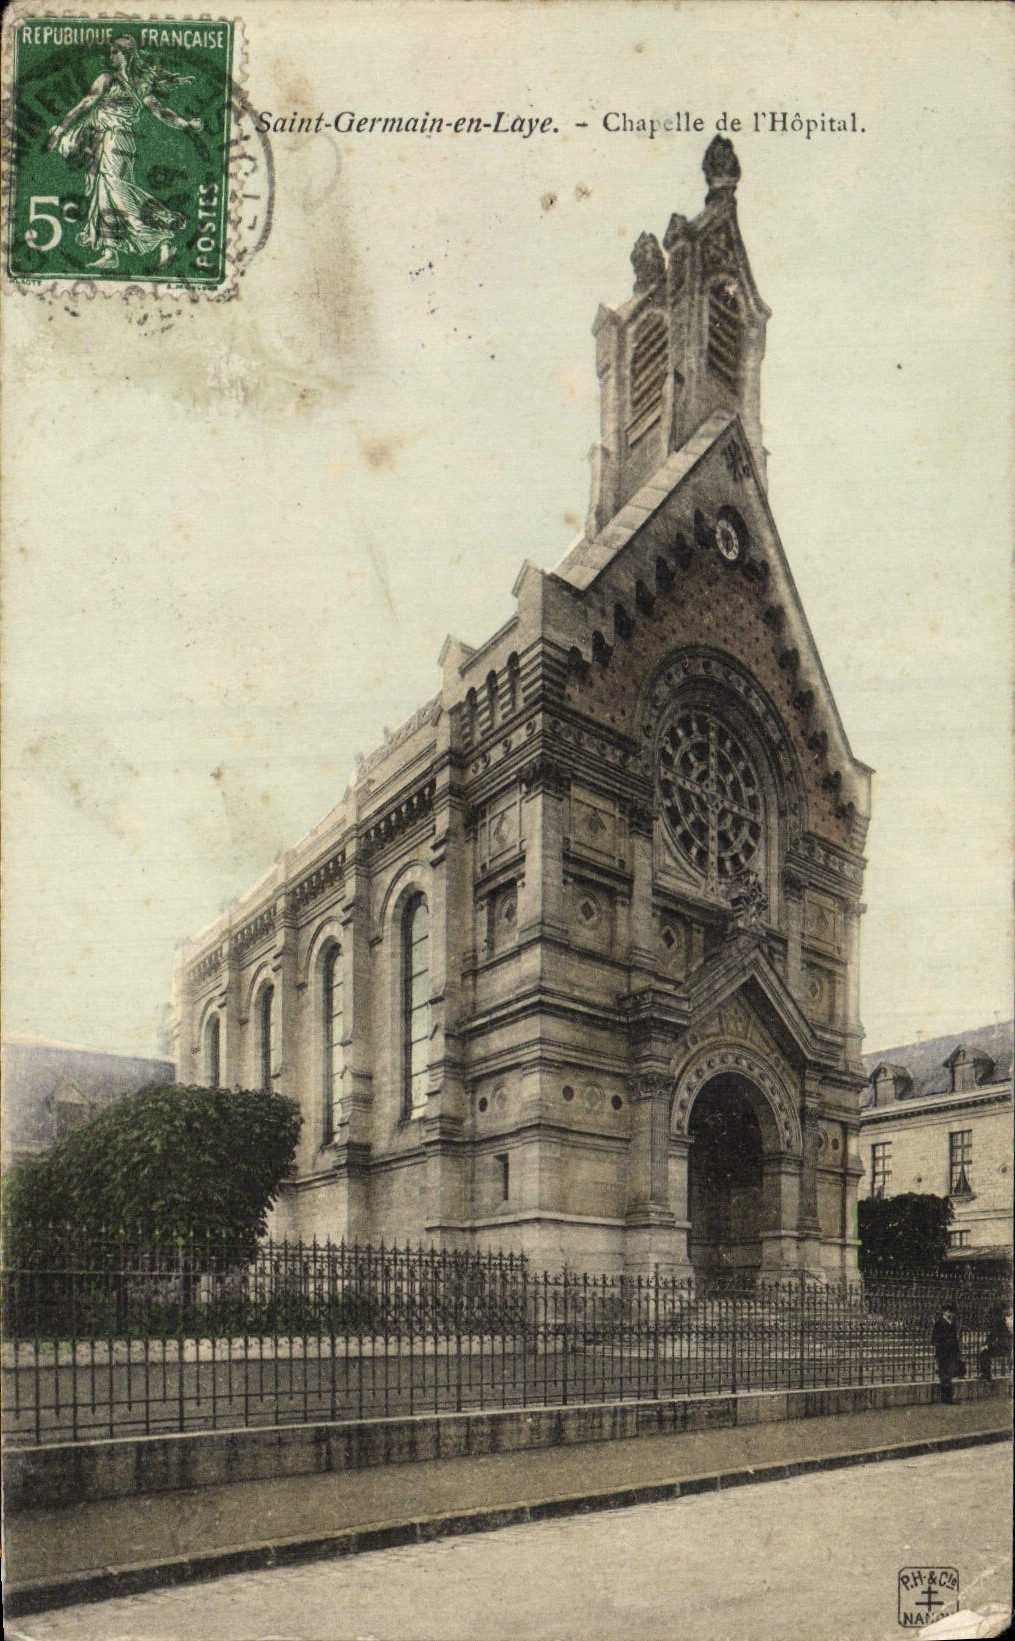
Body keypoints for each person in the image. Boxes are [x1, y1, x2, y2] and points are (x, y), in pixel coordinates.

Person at [45, 36, 202, 270]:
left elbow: (86, 105)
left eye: (115, 53)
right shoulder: (135, 83)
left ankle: (162, 229)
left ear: (127, 55)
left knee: (115, 190)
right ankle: (114, 251)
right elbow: (88, 104)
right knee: (107, 192)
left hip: (113, 138)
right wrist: (186, 123)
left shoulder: (111, 80)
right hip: (120, 142)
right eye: (110, 53)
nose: (111, 57)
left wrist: (60, 129)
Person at [931, 1303, 964, 1403]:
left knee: (949, 1375)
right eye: (948, 1311)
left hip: (951, 1352)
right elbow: (934, 1339)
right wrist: (944, 1343)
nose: (950, 1314)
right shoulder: (939, 1323)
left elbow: (955, 1338)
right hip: (943, 1352)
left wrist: (957, 1350)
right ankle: (946, 1399)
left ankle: (948, 1398)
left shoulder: (951, 1323)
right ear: (944, 1312)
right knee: (944, 1375)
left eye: (952, 1312)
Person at [977, 1304, 1013, 1382]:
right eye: (1006, 1310)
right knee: (984, 1352)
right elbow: (992, 1334)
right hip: (1005, 1346)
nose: (1008, 1311)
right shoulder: (1000, 1321)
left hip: (1008, 1346)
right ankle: (986, 1375)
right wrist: (986, 1345)